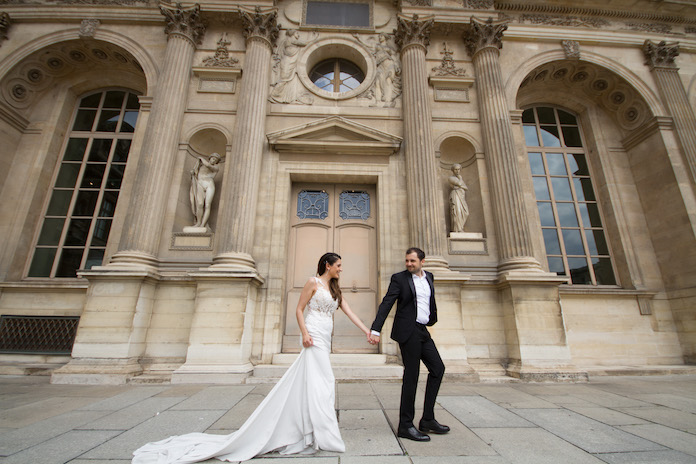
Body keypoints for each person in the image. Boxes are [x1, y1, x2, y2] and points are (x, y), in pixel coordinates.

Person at [132, 253, 376, 463]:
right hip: (313, 335)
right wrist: (303, 333)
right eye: (339, 265)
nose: (341, 269)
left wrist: (367, 331)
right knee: (322, 382)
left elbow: (349, 311)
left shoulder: (335, 289)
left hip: (325, 336)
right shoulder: (313, 283)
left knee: (317, 383)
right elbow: (299, 309)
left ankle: (310, 429)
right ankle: (319, 432)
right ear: (327, 266)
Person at [369, 247, 449, 442]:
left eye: (412, 261)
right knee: (411, 376)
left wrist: (431, 318)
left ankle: (428, 419)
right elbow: (387, 303)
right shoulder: (400, 279)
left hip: (423, 330)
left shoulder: (429, 277)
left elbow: (429, 301)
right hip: (408, 331)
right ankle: (405, 425)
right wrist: (375, 329)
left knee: (438, 369)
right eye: (407, 261)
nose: (409, 264)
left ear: (422, 261)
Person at [189, 153, 221, 229]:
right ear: (210, 158)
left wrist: (201, 158)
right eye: (213, 158)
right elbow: (196, 174)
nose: (214, 161)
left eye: (215, 160)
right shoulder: (201, 166)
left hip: (209, 184)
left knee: (207, 205)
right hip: (200, 183)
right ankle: (199, 222)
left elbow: (208, 165)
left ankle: (203, 224)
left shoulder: (215, 167)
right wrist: (193, 173)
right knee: (199, 204)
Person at [448, 163, 469, 232]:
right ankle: (457, 229)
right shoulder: (451, 178)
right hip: (456, 195)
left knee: (466, 213)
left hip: (461, 196)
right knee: (457, 212)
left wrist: (460, 185)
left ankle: (461, 227)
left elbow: (466, 188)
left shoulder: (459, 179)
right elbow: (460, 184)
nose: (457, 171)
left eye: (459, 169)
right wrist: (460, 179)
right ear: (453, 170)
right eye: (456, 169)